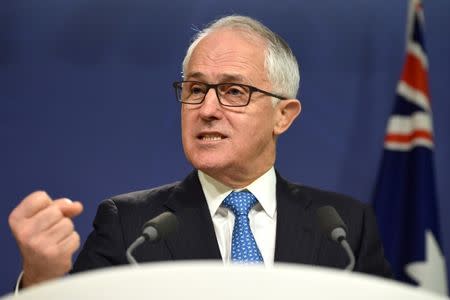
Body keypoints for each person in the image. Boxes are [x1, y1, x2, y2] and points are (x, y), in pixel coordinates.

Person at [8, 15, 392, 289]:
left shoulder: (343, 227)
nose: (207, 110)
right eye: (195, 90)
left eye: (234, 91)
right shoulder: (130, 225)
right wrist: (41, 280)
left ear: (283, 116)